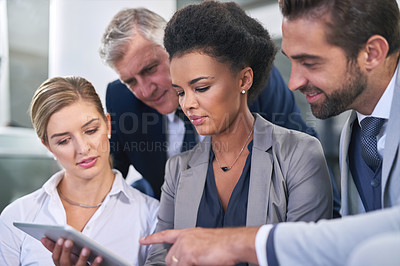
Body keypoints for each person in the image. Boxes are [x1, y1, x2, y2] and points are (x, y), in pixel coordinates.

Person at [140, 0, 400, 265]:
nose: (293, 82)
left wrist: (238, 243)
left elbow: (314, 252)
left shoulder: (301, 153)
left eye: (309, 63)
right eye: (180, 92)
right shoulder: (355, 132)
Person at [99, 7, 340, 207]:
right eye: (130, 81)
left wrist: (331, 217)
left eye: (150, 69)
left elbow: (301, 150)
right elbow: (106, 175)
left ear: (172, 50)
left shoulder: (247, 79)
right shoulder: (122, 101)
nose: (144, 90)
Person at [0, 76, 159, 265]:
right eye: (64, 141)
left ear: (108, 125)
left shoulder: (152, 217)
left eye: (91, 130)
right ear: (48, 146)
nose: (82, 148)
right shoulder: (17, 217)